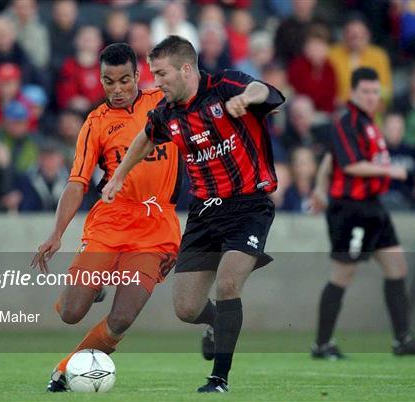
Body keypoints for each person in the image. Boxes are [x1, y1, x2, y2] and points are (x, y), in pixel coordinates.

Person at [102, 36, 285, 393]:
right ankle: (216, 322)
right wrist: (119, 175)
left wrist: (248, 99)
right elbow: (145, 137)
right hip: (203, 213)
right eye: (153, 74)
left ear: (186, 69)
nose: (156, 82)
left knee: (229, 284)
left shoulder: (226, 86)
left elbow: (269, 92)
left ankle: (218, 379)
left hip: (248, 206)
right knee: (186, 308)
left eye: (161, 73)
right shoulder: (168, 113)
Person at [30, 43, 182, 392]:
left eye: (124, 80)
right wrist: (56, 233)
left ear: (137, 76)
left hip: (156, 227)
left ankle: (65, 370)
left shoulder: (163, 102)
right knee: (70, 312)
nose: (117, 89)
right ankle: (94, 284)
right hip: (110, 224)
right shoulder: (96, 123)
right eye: (108, 81)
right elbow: (77, 182)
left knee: (123, 317)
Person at [309, 67, 415, 359]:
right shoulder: (347, 122)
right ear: (353, 92)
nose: (370, 96)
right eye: (365, 91)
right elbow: (350, 164)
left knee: (397, 267)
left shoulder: (368, 122)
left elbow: (331, 157)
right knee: (343, 274)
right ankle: (322, 344)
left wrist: (318, 187)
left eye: (375, 91)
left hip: (374, 208)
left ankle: (402, 340)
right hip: (350, 209)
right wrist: (389, 170)